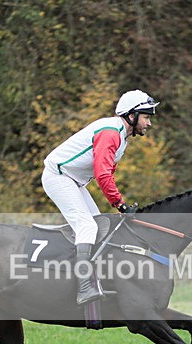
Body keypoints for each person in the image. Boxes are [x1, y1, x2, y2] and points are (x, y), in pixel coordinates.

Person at [42, 89, 159, 305]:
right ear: (131, 116)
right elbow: (102, 174)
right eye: (146, 117)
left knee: (98, 226)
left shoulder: (122, 137)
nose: (149, 123)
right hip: (58, 177)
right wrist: (120, 205)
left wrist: (119, 203)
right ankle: (84, 287)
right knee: (88, 228)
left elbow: (107, 174)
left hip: (73, 180)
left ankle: (96, 280)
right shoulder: (111, 133)